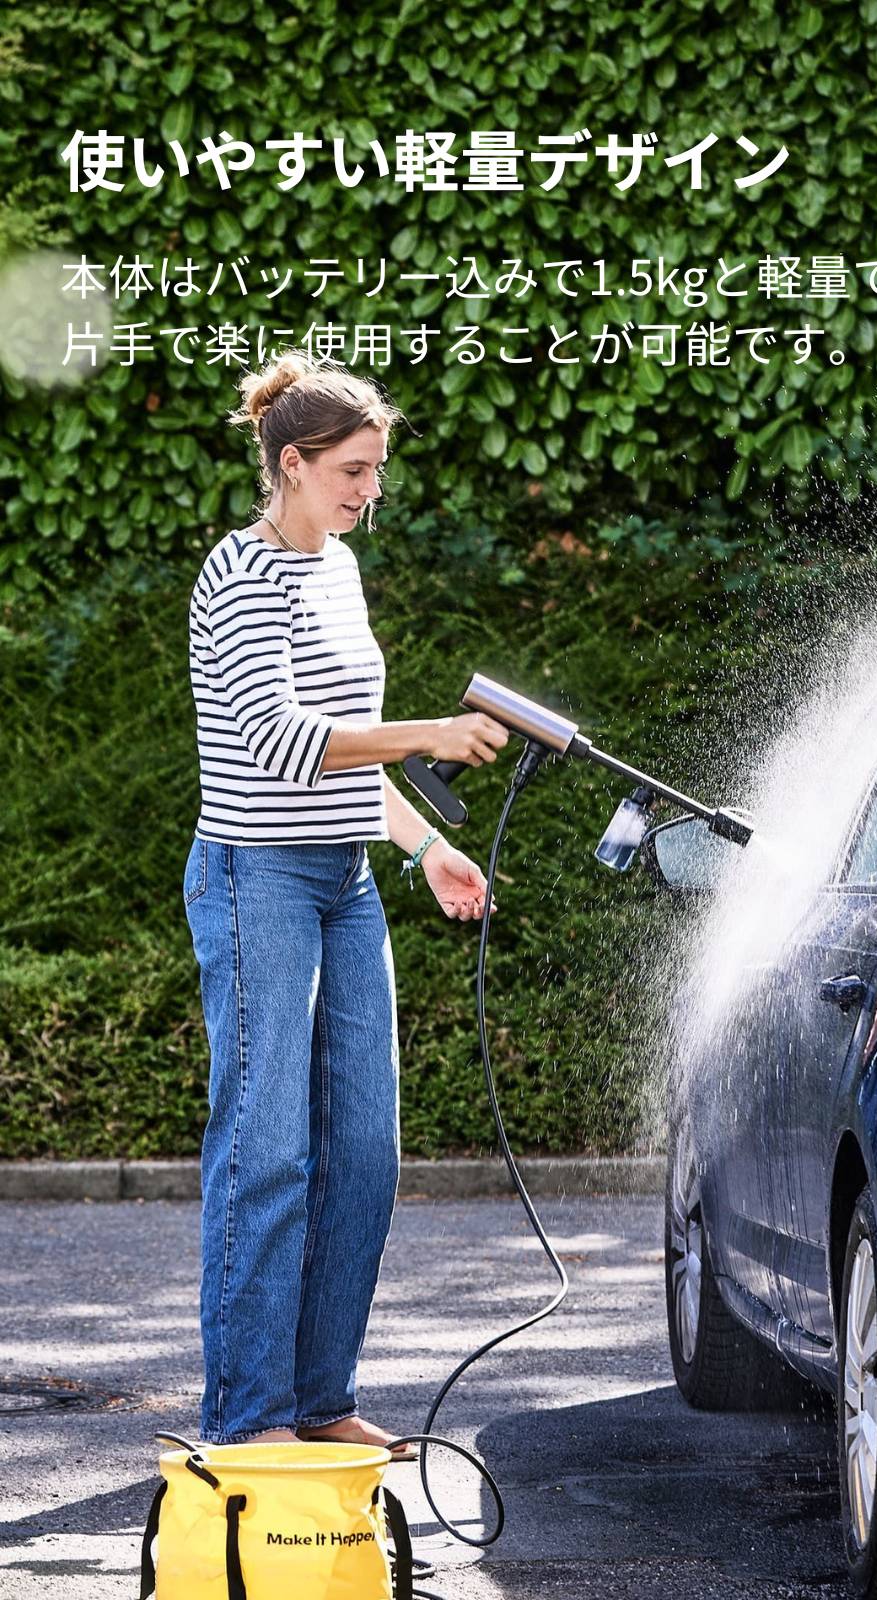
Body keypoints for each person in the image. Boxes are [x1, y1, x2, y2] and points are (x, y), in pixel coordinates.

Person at [182, 351, 508, 1451]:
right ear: (291, 465)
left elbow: (345, 763)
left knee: (366, 1152)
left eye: (376, 471)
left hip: (344, 882)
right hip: (254, 878)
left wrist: (422, 849)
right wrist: (427, 733)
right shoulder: (239, 575)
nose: (371, 490)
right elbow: (281, 745)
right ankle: (249, 1414)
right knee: (266, 1147)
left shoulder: (338, 573)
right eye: (353, 472)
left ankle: (319, 1400)